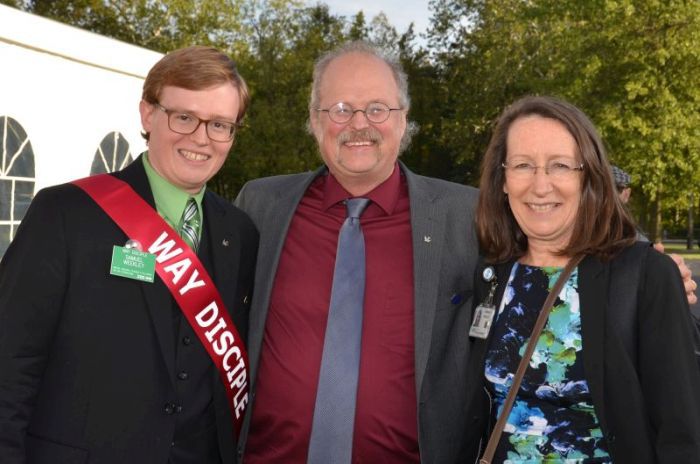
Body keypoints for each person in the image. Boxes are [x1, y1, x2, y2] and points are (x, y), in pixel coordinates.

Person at [0, 46, 259, 463]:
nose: (201, 138)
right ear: (147, 114)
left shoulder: (241, 233)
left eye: (219, 124)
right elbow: (10, 363)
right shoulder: (66, 213)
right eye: (184, 117)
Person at [234, 41, 479, 463]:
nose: (359, 124)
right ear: (315, 119)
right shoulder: (260, 206)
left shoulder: (467, 217)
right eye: (341, 109)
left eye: (377, 109)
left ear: (403, 119)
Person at [468, 95, 700, 462]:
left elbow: (681, 431)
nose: (540, 185)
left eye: (560, 165)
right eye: (523, 165)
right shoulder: (488, 273)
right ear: (503, 180)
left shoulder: (644, 275)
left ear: (587, 176)